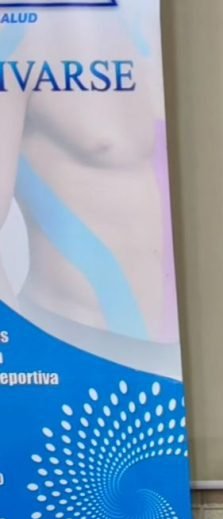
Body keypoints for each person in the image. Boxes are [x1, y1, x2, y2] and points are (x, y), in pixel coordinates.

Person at [0, 0, 180, 379]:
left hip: (180, 358)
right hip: (68, 346)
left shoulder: (180, 25)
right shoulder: (16, 28)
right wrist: (20, 360)